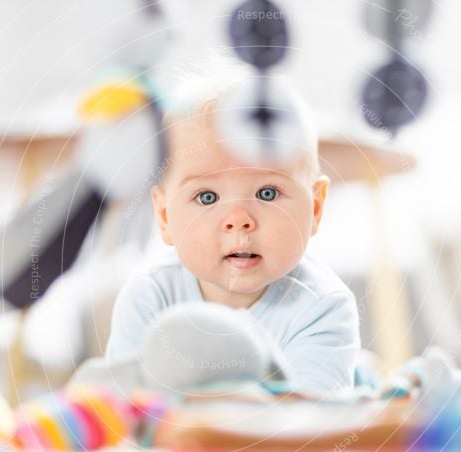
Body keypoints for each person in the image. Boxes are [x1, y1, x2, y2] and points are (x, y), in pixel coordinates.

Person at [105, 69, 360, 392]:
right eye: (207, 197)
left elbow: (311, 426)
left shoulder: (323, 307)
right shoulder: (150, 297)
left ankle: (361, 371)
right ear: (165, 216)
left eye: (267, 193)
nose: (238, 220)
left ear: (315, 208)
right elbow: (122, 410)